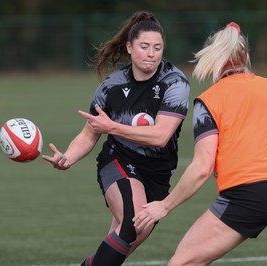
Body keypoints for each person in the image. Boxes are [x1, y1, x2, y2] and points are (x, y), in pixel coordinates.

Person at [133, 22, 267, 266]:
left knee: (183, 262)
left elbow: (202, 168)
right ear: (247, 57)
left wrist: (164, 206)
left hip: (248, 194)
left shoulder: (208, 101)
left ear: (213, 61)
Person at [42, 11, 190, 266]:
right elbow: (89, 134)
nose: (152, 53)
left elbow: (161, 136)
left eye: (158, 48)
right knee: (133, 221)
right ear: (130, 48)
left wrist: (112, 126)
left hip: (158, 173)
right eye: (144, 47)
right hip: (118, 161)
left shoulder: (174, 82)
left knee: (122, 243)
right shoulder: (111, 87)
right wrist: (67, 157)